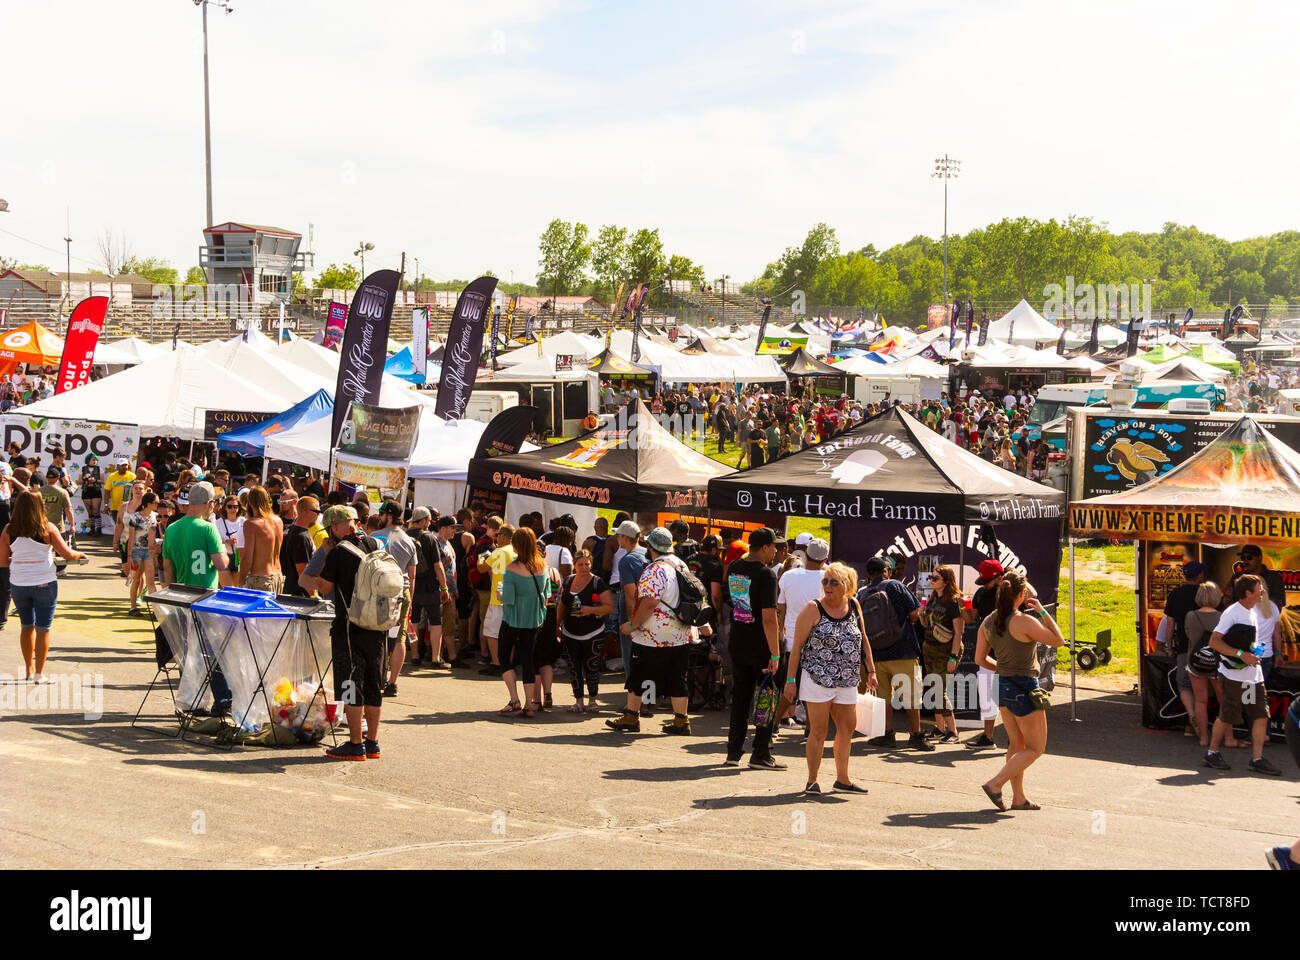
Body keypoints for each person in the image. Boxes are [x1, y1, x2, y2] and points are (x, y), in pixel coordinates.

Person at [975, 570, 1066, 810]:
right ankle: (996, 783)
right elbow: (1058, 640)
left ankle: (1019, 797)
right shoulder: (1024, 620)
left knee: (1016, 745)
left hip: (1003, 684)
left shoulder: (988, 621)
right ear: (1022, 595)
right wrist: (1043, 612)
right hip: (1023, 686)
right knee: (1036, 748)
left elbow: (980, 659)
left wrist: (1003, 668)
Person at [785, 561, 873, 792]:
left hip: (848, 678)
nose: (828, 585)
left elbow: (863, 638)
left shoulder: (854, 605)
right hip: (817, 679)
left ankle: (843, 780)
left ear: (848, 585)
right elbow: (797, 647)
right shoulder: (813, 608)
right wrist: (790, 681)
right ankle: (812, 780)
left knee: (847, 728)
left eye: (834, 582)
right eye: (825, 581)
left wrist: (871, 670)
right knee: (819, 730)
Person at [607, 527, 697, 735]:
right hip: (680, 633)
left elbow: (649, 603)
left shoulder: (654, 569)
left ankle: (631, 716)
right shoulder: (680, 564)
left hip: (653, 635)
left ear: (651, 547)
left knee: (638, 674)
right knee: (677, 677)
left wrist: (632, 625)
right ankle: (681, 721)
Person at [317, 505, 387, 761]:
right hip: (377, 626)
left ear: (336, 527)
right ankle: (372, 742)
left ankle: (355, 743)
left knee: (349, 683)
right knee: (372, 682)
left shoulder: (338, 552)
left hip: (349, 627)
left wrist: (327, 555)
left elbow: (324, 586)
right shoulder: (376, 545)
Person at [0, 491, 85, 681]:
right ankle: (39, 673)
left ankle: (29, 670)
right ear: (40, 506)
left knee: (26, 626)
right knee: (43, 628)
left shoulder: (8, 529)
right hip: (44, 582)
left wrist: (20, 558)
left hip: (19, 583)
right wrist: (80, 554)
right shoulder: (47, 528)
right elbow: (67, 555)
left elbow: (3, 561)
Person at [1202, 575, 1281, 776]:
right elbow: (1214, 642)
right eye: (1259, 588)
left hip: (1252, 677)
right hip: (1233, 676)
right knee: (1227, 716)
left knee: (1260, 715)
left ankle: (1257, 759)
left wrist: (1256, 652)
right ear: (1248, 593)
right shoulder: (1232, 613)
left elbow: (1246, 641)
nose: (1263, 591)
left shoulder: (1252, 611)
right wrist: (1240, 655)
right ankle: (1212, 753)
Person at [722, 527, 786, 768]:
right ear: (766, 548)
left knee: (740, 698)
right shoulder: (766, 574)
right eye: (775, 547)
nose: (777, 552)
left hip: (739, 640)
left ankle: (733, 751)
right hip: (761, 646)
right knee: (767, 698)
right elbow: (769, 617)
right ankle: (760, 753)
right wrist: (775, 654)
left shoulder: (736, 567)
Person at [858, 556, 933, 752]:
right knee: (912, 696)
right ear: (887, 571)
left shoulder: (862, 593)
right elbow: (915, 611)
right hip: (903, 651)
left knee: (883, 698)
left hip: (876, 654)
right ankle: (916, 735)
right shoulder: (895, 586)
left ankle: (886, 734)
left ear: (869, 573)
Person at [497, 527, 555, 718]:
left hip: (513, 619)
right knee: (528, 660)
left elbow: (508, 599)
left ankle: (514, 699)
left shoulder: (512, 569)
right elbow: (547, 595)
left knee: (504, 656)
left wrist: (500, 594)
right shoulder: (543, 567)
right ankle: (530, 704)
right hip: (533, 620)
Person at [558, 549, 612, 713]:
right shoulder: (568, 581)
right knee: (574, 667)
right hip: (570, 632)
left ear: (591, 564)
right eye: (580, 564)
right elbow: (562, 606)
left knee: (591, 666)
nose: (584, 567)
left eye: (587, 564)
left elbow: (609, 607)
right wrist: (557, 625)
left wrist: (590, 610)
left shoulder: (597, 582)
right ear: (574, 565)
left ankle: (593, 700)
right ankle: (578, 701)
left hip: (593, 632)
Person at [376, 501, 417, 696]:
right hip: (404, 591)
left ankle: (378, 677)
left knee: (378, 634)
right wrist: (411, 601)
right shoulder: (408, 541)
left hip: (380, 591)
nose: (380, 517)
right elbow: (412, 574)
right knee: (399, 637)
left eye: (382, 514)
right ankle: (393, 682)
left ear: (389, 516)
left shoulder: (375, 537)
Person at [1159, 561, 1205, 736]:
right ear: (1199, 575)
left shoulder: (1176, 594)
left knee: (1184, 685)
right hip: (1205, 649)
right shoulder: (1205, 594)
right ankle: (1199, 722)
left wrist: (1169, 646)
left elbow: (1170, 624)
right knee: (1203, 687)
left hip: (1183, 648)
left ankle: (1191, 717)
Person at [920, 565, 964, 743]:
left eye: (935, 578)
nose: (931, 580)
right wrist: (922, 615)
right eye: (930, 577)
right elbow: (926, 625)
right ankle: (939, 728)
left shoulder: (953, 602)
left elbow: (959, 632)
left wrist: (953, 657)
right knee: (933, 689)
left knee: (939, 690)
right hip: (929, 648)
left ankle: (953, 731)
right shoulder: (932, 599)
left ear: (946, 581)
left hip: (946, 651)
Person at [965, 559, 1003, 748]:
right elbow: (972, 618)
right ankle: (988, 737)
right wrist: (965, 606)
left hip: (1009, 651)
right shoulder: (981, 592)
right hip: (988, 651)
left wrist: (1014, 575)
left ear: (999, 578)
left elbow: (1033, 594)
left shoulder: (1010, 593)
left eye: (988, 580)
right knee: (987, 696)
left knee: (1012, 697)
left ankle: (1018, 739)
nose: (985, 585)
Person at [477, 522, 517, 677]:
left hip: (497, 598)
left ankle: (496, 663)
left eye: (498, 534)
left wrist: (481, 559)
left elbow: (482, 568)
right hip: (513, 598)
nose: (496, 537)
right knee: (509, 633)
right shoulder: (516, 552)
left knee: (491, 632)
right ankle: (508, 663)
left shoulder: (499, 552)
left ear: (504, 536)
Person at [239, 487, 284, 594]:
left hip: (260, 579)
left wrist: (240, 582)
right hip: (278, 576)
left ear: (249, 502)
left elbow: (247, 558)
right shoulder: (278, 521)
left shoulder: (251, 524)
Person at [124, 491, 159, 615]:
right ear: (148, 503)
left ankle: (155, 610)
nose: (157, 504)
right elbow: (131, 537)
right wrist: (129, 556)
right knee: (136, 579)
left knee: (151, 581)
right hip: (136, 551)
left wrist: (155, 554)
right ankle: (133, 607)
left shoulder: (155, 516)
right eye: (155, 503)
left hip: (149, 551)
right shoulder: (135, 517)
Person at [281, 495, 316, 598]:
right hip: (299, 596)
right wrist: (314, 595)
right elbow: (302, 570)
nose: (318, 515)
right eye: (316, 511)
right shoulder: (301, 536)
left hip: (290, 591)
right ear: (306, 512)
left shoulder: (291, 531)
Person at [79, 454, 104, 535]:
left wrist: (95, 480)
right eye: (93, 460)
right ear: (88, 460)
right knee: (90, 511)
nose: (95, 461)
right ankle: (92, 529)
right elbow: (79, 481)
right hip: (86, 490)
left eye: (96, 460)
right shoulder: (83, 469)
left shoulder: (99, 469)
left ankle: (99, 529)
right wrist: (85, 478)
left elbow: (102, 481)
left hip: (96, 490)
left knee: (96, 510)